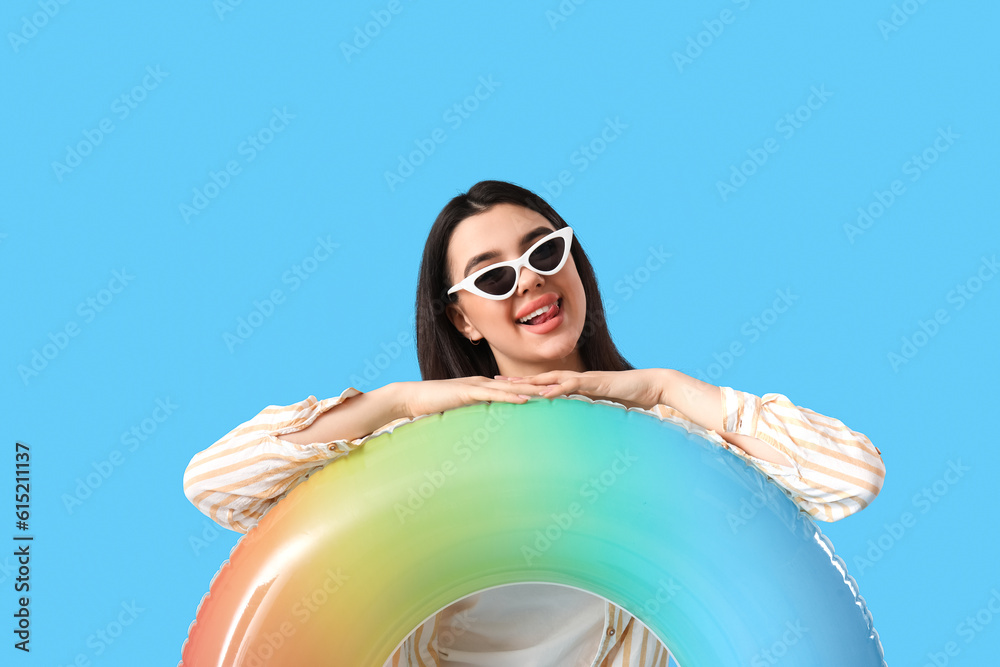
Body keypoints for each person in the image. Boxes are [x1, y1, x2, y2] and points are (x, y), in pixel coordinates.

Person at [183, 180, 886, 667]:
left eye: (544, 251)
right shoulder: (412, 461)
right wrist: (395, 403)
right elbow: (216, 484)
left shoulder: (672, 445)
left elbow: (849, 477)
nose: (528, 280)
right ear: (461, 315)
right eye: (492, 277)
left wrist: (665, 387)